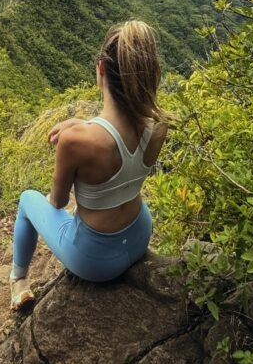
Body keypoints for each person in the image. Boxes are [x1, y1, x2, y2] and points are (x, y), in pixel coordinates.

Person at [9, 20, 169, 309]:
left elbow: (57, 203)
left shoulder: (76, 141)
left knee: (26, 200)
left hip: (96, 261)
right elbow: (121, 143)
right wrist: (85, 125)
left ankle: (18, 281)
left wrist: (79, 132)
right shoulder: (158, 126)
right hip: (141, 233)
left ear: (101, 69)